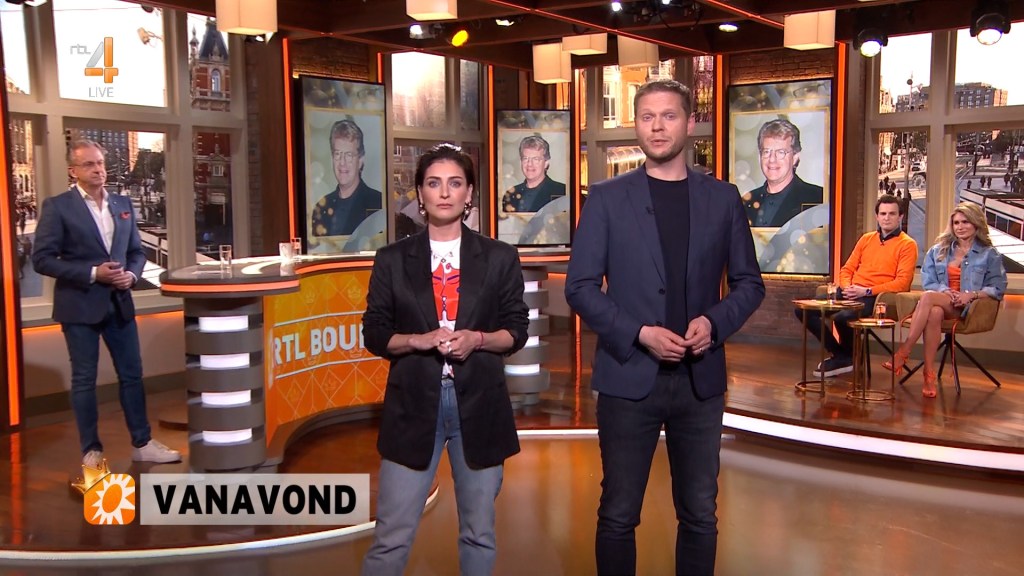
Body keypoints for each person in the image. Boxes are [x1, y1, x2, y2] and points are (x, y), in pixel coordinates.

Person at [565, 80, 765, 576]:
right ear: (636, 124)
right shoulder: (607, 199)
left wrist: (713, 323)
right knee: (618, 514)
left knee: (699, 514)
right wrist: (639, 333)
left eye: (669, 116)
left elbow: (749, 284)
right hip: (627, 377)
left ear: (690, 123)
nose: (657, 127)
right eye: (647, 117)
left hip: (700, 383)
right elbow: (581, 287)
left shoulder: (723, 199)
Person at [361, 143, 529, 576]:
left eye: (455, 183)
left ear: (469, 192)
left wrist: (477, 339)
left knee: (478, 533)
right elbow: (374, 333)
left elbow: (516, 330)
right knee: (391, 537)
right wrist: (417, 341)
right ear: (420, 192)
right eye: (433, 183)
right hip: (414, 404)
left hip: (480, 405)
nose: (444, 192)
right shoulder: (392, 260)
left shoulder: (499, 258)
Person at [31, 140, 180, 468]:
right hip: (79, 307)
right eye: (89, 164)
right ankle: (91, 451)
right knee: (84, 379)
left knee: (132, 375)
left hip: (119, 304)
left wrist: (132, 274)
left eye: (100, 163)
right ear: (73, 171)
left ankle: (142, 443)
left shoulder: (122, 204)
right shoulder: (58, 207)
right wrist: (92, 273)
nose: (98, 169)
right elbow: (41, 259)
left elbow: (136, 252)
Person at [883, 203, 1007, 397]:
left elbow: (997, 288)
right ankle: (928, 375)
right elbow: (929, 281)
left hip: (967, 308)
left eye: (965, 222)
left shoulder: (989, 254)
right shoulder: (938, 250)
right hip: (942, 302)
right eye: (956, 223)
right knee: (934, 311)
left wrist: (971, 295)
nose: (960, 227)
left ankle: (904, 351)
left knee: (928, 298)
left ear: (976, 223)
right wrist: (945, 290)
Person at [798, 194, 917, 377]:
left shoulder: (907, 244)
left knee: (843, 317)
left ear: (900, 216)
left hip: (875, 296)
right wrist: (847, 287)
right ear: (877, 216)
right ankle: (842, 354)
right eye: (883, 213)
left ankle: (846, 358)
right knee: (804, 310)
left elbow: (902, 283)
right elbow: (847, 269)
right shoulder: (866, 239)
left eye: (892, 214)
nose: (887, 218)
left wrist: (867, 291)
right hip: (851, 290)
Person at [743, 118, 824, 227]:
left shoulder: (817, 199)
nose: (772, 159)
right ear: (759, 157)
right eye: (766, 152)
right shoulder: (746, 202)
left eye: (781, 152)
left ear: (795, 157)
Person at [311, 119, 383, 236]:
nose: (342, 162)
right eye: (337, 154)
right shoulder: (321, 208)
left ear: (360, 160)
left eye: (349, 155)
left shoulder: (378, 204)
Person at [500, 134, 566, 214]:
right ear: (521, 162)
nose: (529, 164)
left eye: (536, 159)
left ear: (546, 163)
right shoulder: (510, 195)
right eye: (525, 158)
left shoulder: (562, 192)